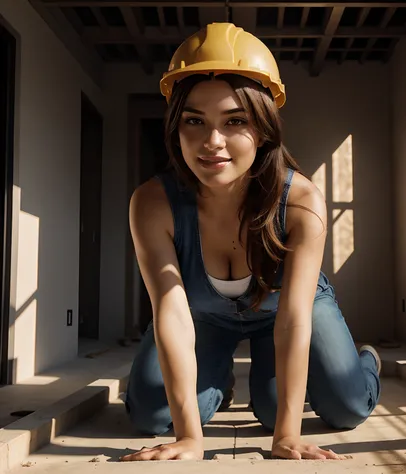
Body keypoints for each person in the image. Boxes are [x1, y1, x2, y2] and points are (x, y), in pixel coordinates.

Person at [120, 22, 381, 462]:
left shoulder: (300, 200)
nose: (212, 142)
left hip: (290, 310)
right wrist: (189, 439)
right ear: (175, 126)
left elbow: (295, 319)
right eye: (194, 121)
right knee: (150, 415)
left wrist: (286, 437)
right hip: (203, 318)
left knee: (337, 407)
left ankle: (366, 364)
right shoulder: (152, 203)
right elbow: (171, 314)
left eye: (235, 121)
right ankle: (217, 382)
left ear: (262, 128)